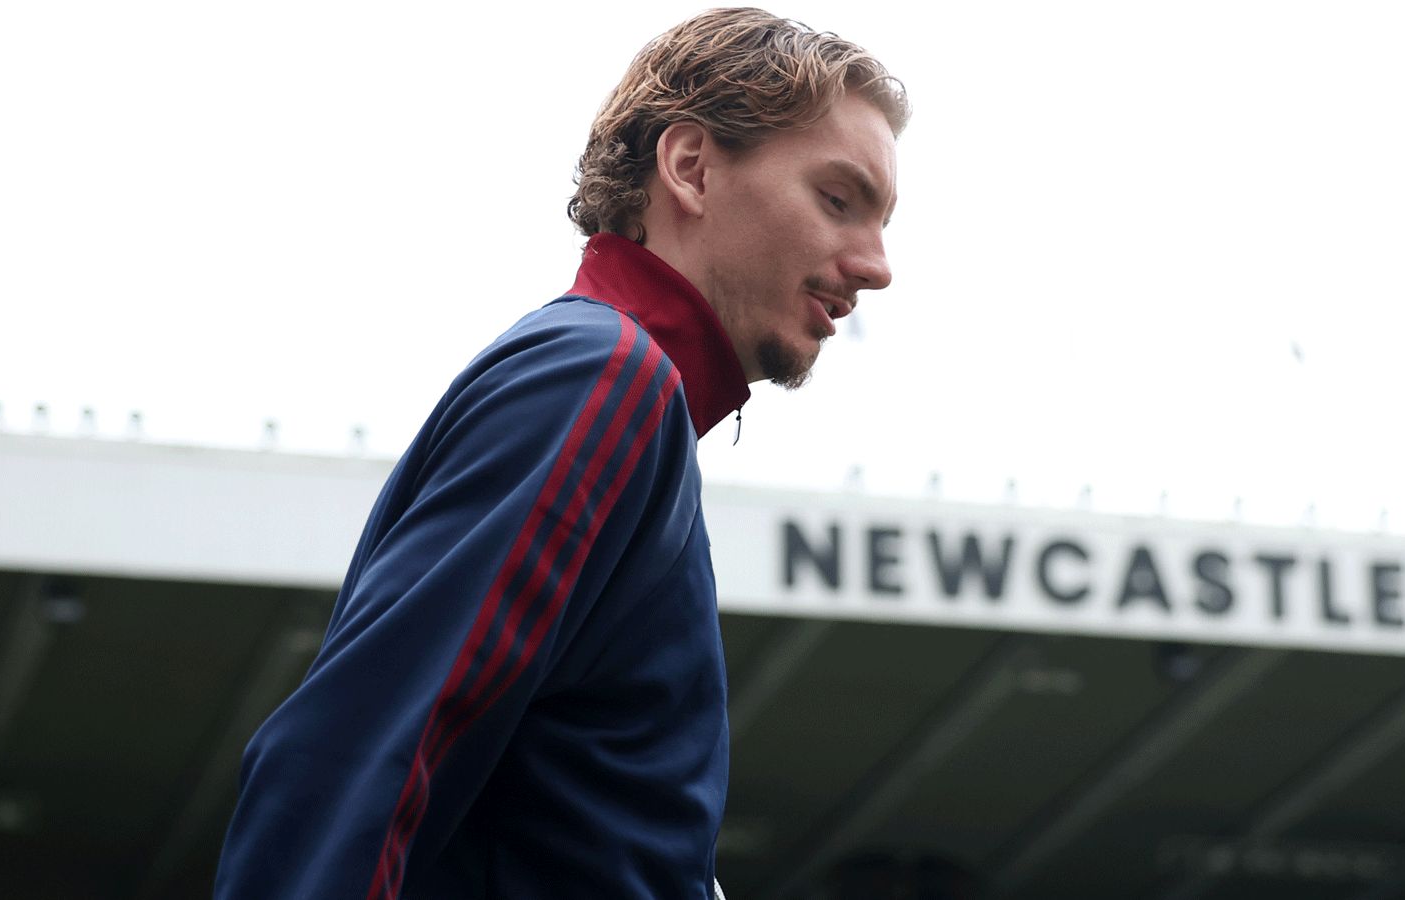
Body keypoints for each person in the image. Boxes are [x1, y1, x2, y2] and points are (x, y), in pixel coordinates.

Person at [214, 8, 907, 898]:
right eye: (838, 200)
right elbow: (355, 760)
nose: (877, 265)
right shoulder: (604, 377)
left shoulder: (620, 396)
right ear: (691, 167)